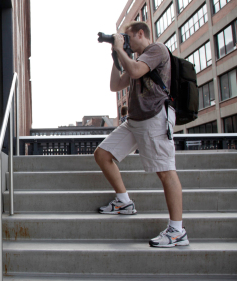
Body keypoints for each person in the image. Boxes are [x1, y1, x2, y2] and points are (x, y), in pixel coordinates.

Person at [94, 22, 188, 248]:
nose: (126, 41)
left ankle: (177, 231)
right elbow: (115, 86)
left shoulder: (156, 50)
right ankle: (124, 202)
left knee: (166, 172)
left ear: (140, 33)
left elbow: (136, 71)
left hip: (155, 117)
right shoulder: (134, 60)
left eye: (128, 37)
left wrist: (121, 51)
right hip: (135, 120)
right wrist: (117, 57)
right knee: (102, 154)